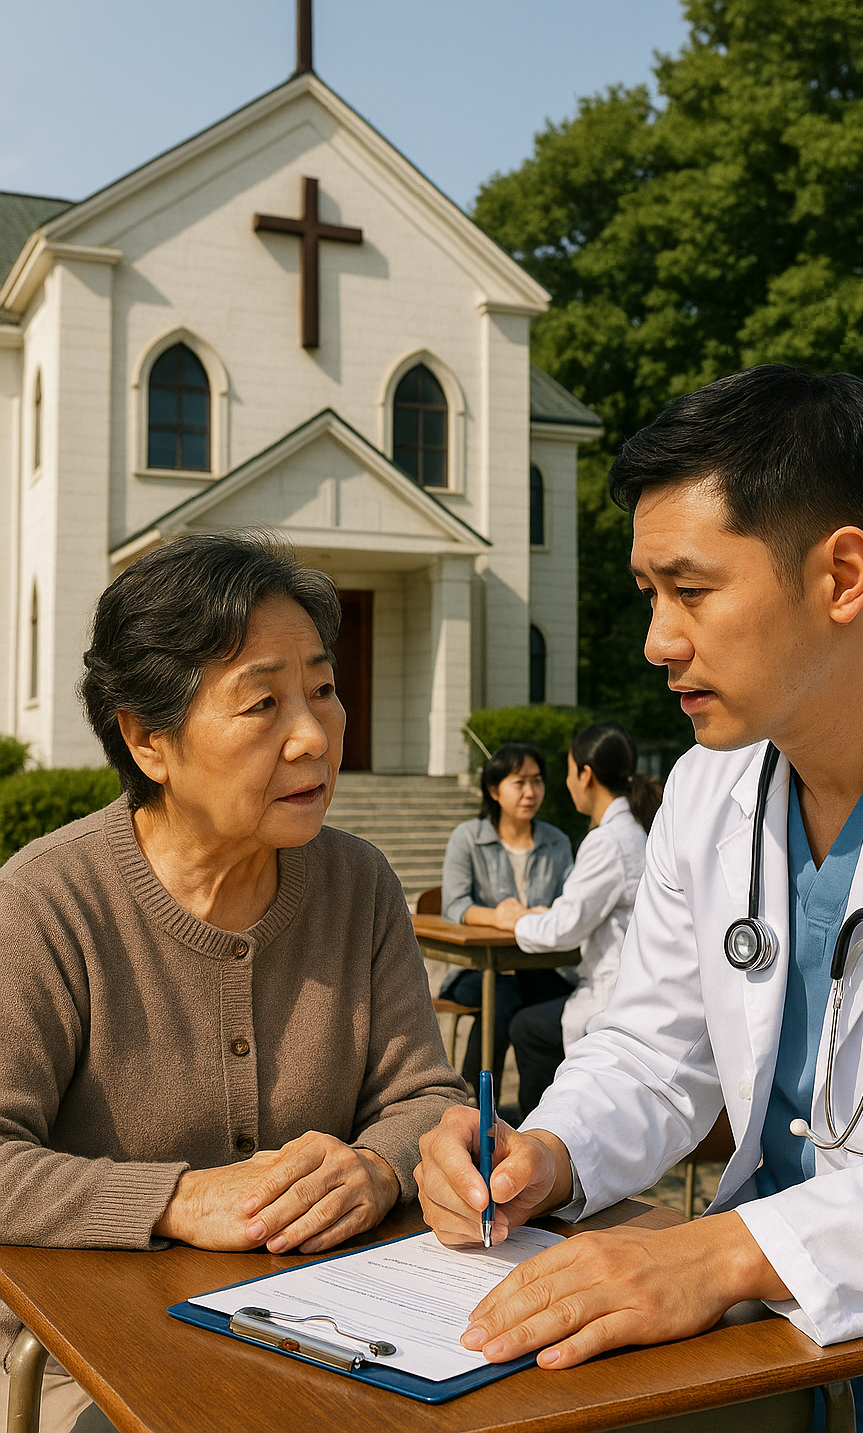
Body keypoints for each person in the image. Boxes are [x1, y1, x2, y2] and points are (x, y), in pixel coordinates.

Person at [417, 363, 863, 1433]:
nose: (656, 640)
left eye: (689, 591)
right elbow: (652, 1050)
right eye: (650, 595)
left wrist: (718, 1253)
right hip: (758, 1314)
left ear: (840, 575)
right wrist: (545, 1160)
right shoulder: (713, 782)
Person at [0, 532, 465, 1433]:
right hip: (84, 1358)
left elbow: (427, 1098)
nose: (315, 734)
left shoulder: (358, 882)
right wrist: (174, 1199)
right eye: (262, 703)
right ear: (147, 739)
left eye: (324, 690)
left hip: (326, 1329)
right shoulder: (47, 902)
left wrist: (377, 1168)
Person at [489, 723, 659, 1116]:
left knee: (526, 1026)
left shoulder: (607, 840)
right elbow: (580, 912)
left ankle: (543, 1132)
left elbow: (564, 930)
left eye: (566, 771)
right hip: (632, 983)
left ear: (585, 774)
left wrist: (512, 919)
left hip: (612, 994)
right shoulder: (637, 828)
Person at [439, 742, 573, 1105]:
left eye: (537, 781)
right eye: (519, 782)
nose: (531, 792)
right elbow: (454, 905)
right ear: (494, 790)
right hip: (479, 970)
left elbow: (572, 905)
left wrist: (544, 914)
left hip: (537, 967)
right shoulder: (468, 838)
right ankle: (473, 1103)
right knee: (500, 994)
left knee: (550, 1008)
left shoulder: (556, 842)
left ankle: (538, 1113)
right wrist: (499, 917)